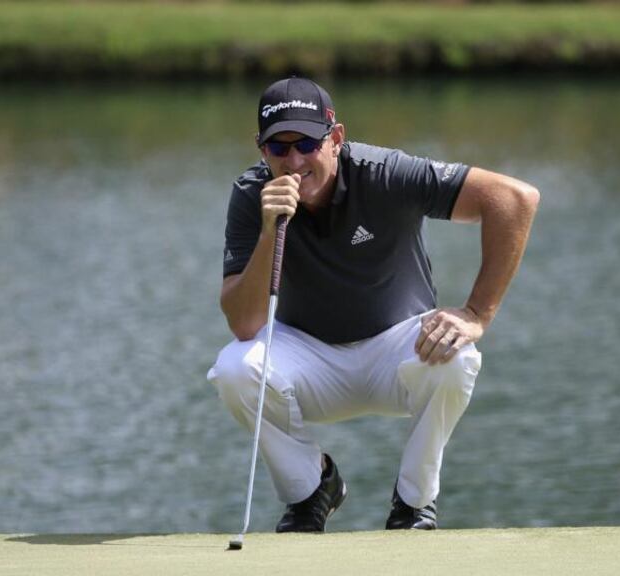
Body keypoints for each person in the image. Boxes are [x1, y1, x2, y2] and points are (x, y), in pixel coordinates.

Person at [207, 77, 539, 532]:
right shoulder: (252, 195)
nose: (294, 160)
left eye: (307, 142)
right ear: (260, 149)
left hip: (398, 353)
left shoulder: (384, 173)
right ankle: (311, 492)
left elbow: (514, 199)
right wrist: (270, 230)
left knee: (459, 356)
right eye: (278, 148)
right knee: (234, 370)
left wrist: (477, 313)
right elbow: (245, 324)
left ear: (336, 138)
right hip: (309, 358)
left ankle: (413, 504)